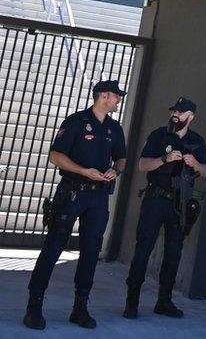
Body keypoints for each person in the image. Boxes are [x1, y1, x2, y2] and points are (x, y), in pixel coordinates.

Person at [24, 80, 128, 330]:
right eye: (116, 96)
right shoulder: (76, 122)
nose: (118, 101)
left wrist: (115, 170)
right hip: (72, 193)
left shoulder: (114, 127)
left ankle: (80, 308)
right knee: (53, 247)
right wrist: (84, 171)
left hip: (98, 197)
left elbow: (122, 158)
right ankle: (34, 308)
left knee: (91, 252)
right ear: (104, 96)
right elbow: (55, 156)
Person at [124, 97, 206, 319]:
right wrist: (165, 158)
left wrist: (195, 164)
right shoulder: (159, 135)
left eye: (180, 112)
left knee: (173, 253)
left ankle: (164, 301)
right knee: (144, 248)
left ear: (190, 116)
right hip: (155, 199)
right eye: (174, 111)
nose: (175, 115)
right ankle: (132, 301)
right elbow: (143, 165)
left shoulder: (197, 141)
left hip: (179, 203)